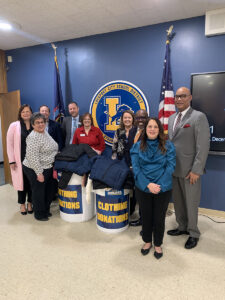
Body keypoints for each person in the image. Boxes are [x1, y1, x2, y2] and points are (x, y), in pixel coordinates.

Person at [167, 87, 210, 249]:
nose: (179, 99)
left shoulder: (198, 117)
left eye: (183, 96)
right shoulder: (171, 118)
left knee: (191, 204)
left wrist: (197, 170)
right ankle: (182, 227)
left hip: (190, 171)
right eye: (177, 96)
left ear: (190, 97)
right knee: (178, 202)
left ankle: (193, 233)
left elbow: (203, 146)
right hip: (174, 169)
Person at [130, 118, 176, 259]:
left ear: (159, 129)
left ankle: (157, 244)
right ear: (146, 129)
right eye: (150, 126)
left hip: (163, 187)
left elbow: (170, 167)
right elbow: (136, 169)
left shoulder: (168, 146)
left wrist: (158, 185)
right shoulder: (137, 147)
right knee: (146, 216)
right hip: (143, 187)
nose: (152, 129)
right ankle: (147, 241)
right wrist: (147, 184)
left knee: (159, 217)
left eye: (155, 127)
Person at [23, 113, 58, 221]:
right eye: (37, 123)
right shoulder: (33, 137)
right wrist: (39, 173)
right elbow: (32, 157)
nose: (40, 124)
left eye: (42, 122)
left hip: (48, 166)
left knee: (49, 190)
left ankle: (46, 210)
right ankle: (39, 213)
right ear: (33, 125)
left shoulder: (44, 132)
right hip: (35, 168)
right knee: (39, 191)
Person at [7, 104, 33, 215]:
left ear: (31, 113)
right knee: (21, 183)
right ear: (20, 114)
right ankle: (22, 204)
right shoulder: (14, 126)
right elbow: (10, 144)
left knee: (31, 182)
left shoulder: (35, 125)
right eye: (23, 112)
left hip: (33, 161)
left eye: (28, 111)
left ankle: (30, 203)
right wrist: (11, 160)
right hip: (19, 160)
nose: (26, 113)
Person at [129, 109, 148, 226]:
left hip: (144, 170)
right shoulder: (132, 131)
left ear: (147, 118)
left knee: (144, 197)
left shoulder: (149, 131)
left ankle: (144, 221)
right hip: (133, 168)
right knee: (137, 195)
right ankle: (141, 219)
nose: (140, 120)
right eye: (138, 118)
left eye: (143, 117)